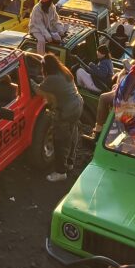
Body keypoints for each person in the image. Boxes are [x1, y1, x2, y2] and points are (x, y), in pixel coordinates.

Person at [37, 54, 83, 183]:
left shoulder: (52, 79)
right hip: (77, 105)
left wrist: (31, 81)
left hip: (66, 111)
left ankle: (60, 172)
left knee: (60, 141)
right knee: (72, 134)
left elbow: (38, 90)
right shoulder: (64, 71)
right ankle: (69, 162)